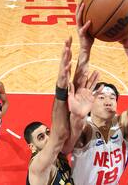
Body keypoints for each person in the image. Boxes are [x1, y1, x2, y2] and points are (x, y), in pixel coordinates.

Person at [60, 3, 128, 185]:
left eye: (112, 97)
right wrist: (85, 47)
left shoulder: (124, 125)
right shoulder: (84, 129)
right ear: (90, 105)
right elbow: (65, 145)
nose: (108, 100)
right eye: (101, 97)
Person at [24, 37, 103, 184]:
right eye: (41, 137)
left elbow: (77, 95)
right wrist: (61, 88)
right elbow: (59, 135)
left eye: (48, 132)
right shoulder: (37, 168)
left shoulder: (59, 153)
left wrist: (85, 49)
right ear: (32, 147)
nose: (48, 137)